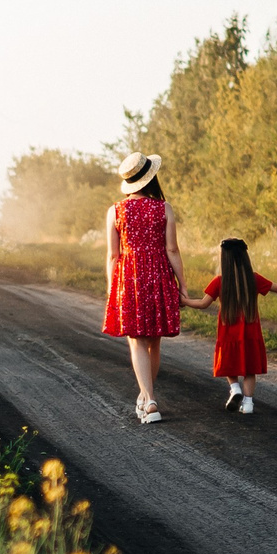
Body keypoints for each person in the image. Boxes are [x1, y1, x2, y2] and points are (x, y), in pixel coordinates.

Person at [101, 151, 183, 424]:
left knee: (136, 340)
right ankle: (146, 396)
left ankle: (148, 400)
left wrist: (113, 289)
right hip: (158, 275)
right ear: (151, 178)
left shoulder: (116, 211)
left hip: (129, 278)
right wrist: (182, 285)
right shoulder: (164, 208)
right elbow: (172, 249)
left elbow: (113, 256)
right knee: (154, 340)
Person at [191, 238, 277, 415]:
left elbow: (202, 304)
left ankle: (235, 389)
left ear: (224, 259)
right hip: (251, 333)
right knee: (249, 369)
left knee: (229, 364)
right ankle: (248, 404)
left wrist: (182, 300)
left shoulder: (219, 281)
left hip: (227, 333)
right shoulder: (253, 279)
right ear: (245, 258)